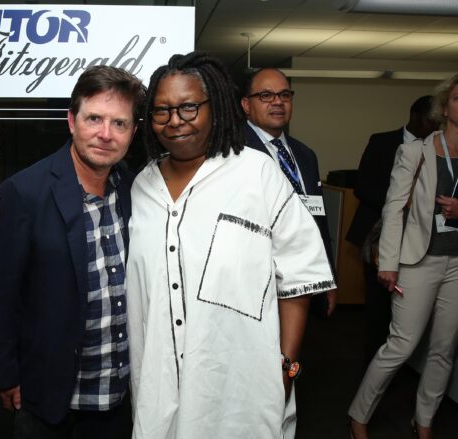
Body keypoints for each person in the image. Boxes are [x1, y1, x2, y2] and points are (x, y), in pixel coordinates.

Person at [126, 51, 335, 439]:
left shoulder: (257, 173)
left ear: (216, 107)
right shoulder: (142, 187)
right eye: (161, 111)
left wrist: (288, 368)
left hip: (241, 390)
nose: (175, 121)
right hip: (158, 388)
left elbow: (299, 277)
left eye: (189, 107)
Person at [0, 65, 145, 439]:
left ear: (133, 133)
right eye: (94, 119)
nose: (106, 134)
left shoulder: (136, 191)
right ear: (71, 121)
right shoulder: (24, 194)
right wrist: (4, 374)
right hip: (51, 401)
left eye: (119, 124)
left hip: (119, 397)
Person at [348, 73, 458, 439]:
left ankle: (424, 420)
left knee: (444, 349)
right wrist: (389, 264)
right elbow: (394, 209)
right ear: (445, 108)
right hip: (418, 262)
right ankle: (358, 415)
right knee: (401, 345)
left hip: (456, 264)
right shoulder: (416, 151)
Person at [241, 67, 337, 320]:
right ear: (246, 105)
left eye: (285, 95)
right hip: (254, 279)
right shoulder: (233, 152)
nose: (277, 102)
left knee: (295, 355)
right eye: (266, 95)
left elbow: (319, 219)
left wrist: (328, 276)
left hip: (303, 278)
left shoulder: (305, 155)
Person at [346, 95, 437, 362]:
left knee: (409, 306)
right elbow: (362, 186)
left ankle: (403, 361)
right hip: (378, 236)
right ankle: (373, 363)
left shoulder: (437, 149)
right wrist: (399, 204)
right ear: (415, 116)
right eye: (432, 120)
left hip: (420, 240)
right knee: (378, 306)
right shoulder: (382, 141)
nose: (435, 126)